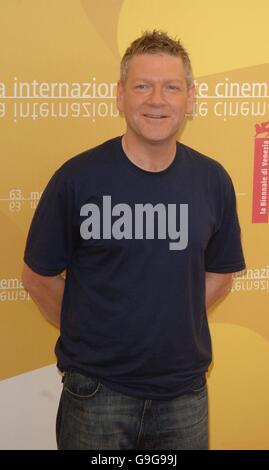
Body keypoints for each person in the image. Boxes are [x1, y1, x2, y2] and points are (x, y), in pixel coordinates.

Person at [21, 30, 246, 450]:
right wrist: (92, 328)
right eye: (142, 86)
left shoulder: (213, 180)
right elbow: (38, 277)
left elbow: (221, 271)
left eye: (171, 87)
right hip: (96, 392)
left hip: (184, 393)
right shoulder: (76, 179)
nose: (156, 100)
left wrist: (169, 319)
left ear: (190, 98)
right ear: (120, 95)